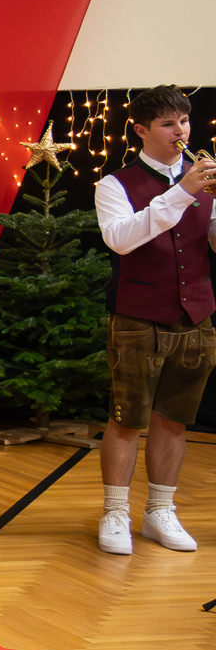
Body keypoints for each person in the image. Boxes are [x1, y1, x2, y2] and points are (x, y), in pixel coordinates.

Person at [92, 85, 214, 554]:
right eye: (167, 124)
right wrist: (182, 193)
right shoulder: (114, 184)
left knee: (175, 419)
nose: (179, 131)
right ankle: (115, 513)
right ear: (141, 130)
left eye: (183, 121)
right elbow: (121, 239)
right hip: (137, 315)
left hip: (196, 313)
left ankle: (159, 511)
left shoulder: (203, 177)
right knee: (126, 419)